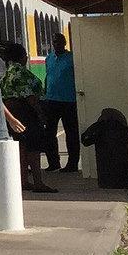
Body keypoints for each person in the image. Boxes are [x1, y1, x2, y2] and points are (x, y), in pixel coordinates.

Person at [0, 42, 55, 193]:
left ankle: (23, 180)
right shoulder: (20, 73)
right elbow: (30, 97)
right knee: (33, 148)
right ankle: (38, 182)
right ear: (22, 57)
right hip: (27, 113)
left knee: (21, 148)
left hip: (14, 114)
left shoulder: (8, 73)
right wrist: (41, 114)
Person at [42, 28, 79, 173]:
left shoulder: (72, 58)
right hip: (51, 100)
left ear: (64, 43)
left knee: (71, 133)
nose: (56, 44)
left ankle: (72, 163)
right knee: (49, 133)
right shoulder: (49, 58)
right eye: (54, 42)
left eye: (59, 42)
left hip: (69, 100)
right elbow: (48, 76)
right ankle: (53, 162)